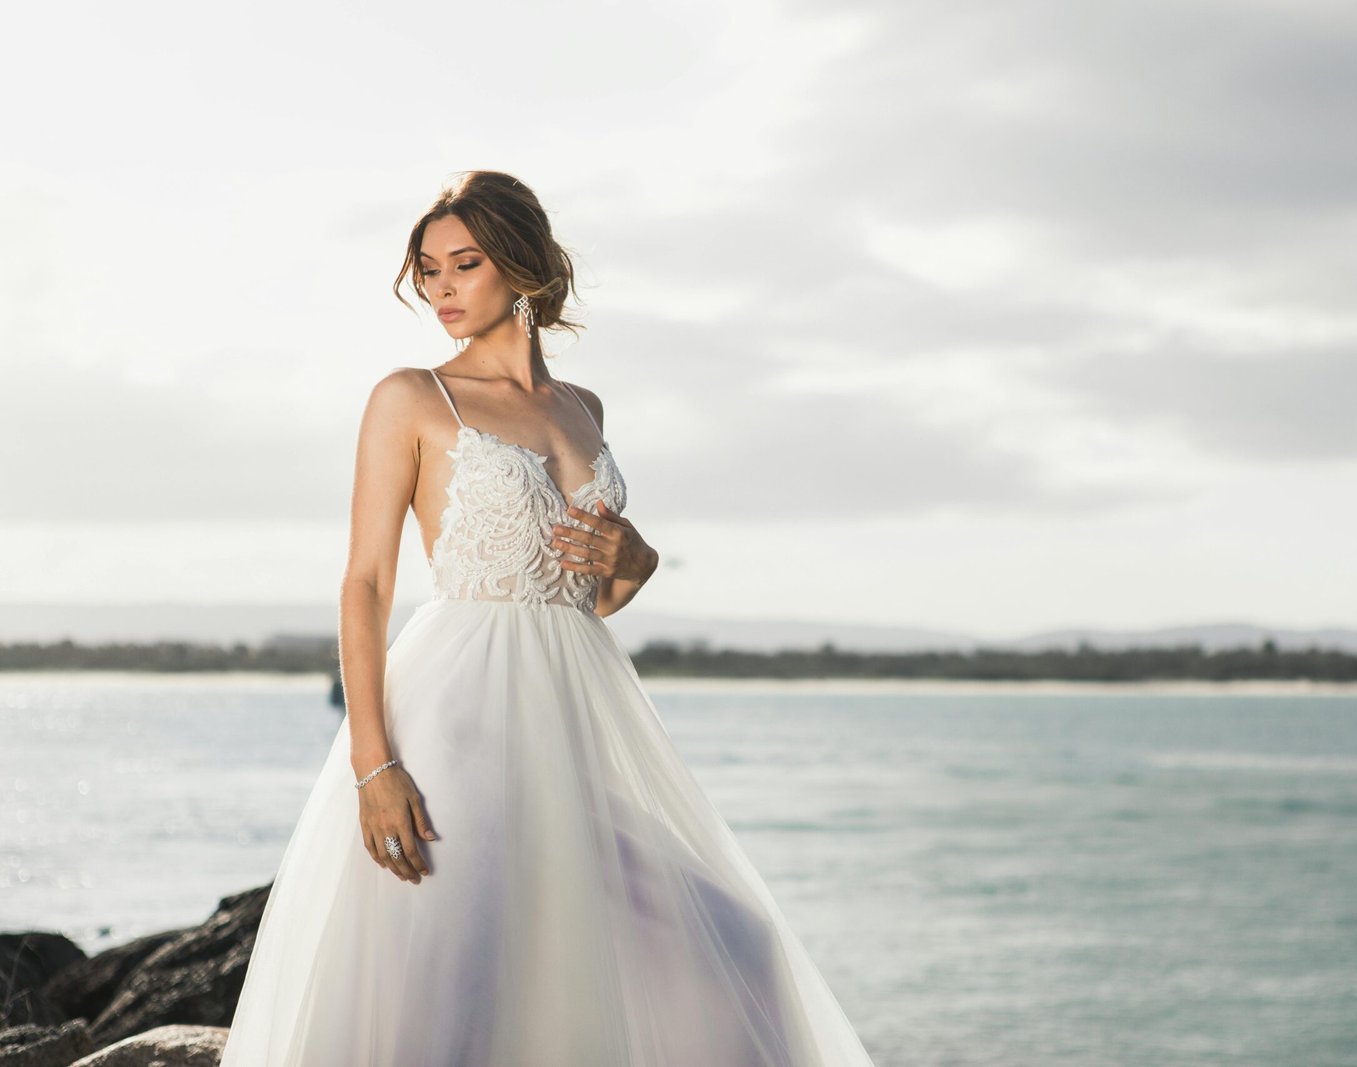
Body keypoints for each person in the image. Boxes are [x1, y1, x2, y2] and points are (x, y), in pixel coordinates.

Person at [219, 171, 877, 1065]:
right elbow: (365, 583)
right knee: (456, 987)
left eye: (466, 264)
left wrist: (636, 562)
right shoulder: (413, 398)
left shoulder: (583, 408)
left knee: (736, 944)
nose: (443, 289)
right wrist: (373, 762)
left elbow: (593, 592)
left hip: (571, 721)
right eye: (429, 270)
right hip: (459, 715)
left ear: (522, 266)